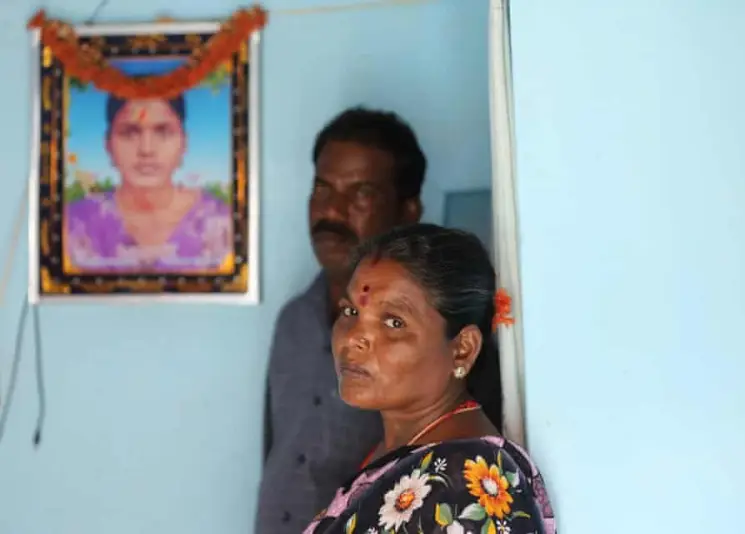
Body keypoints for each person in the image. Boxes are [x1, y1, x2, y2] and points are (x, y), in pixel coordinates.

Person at [303, 223, 556, 534]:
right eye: (350, 312)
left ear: (462, 350)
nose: (355, 338)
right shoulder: (402, 449)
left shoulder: (466, 486)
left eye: (394, 322)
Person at [256, 108, 427, 533]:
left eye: (361, 193)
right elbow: (276, 455)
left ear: (408, 211)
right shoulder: (293, 321)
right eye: (322, 188)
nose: (332, 211)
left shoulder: (428, 338)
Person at [65, 94, 232, 273]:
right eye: (130, 133)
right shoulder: (73, 224)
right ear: (108, 145)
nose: (146, 149)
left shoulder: (222, 226)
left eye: (163, 132)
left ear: (184, 144)